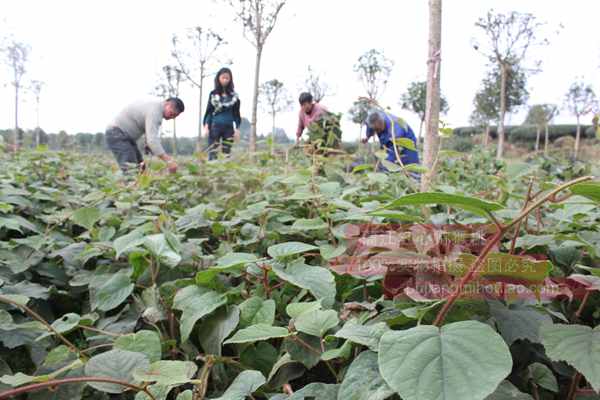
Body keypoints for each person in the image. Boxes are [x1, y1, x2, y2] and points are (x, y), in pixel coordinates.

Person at [105, 97, 184, 174]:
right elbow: (152, 140)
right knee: (131, 171)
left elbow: (147, 129)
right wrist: (169, 161)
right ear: (167, 104)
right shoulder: (156, 111)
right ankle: (128, 185)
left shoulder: (155, 105)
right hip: (117, 134)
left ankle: (136, 185)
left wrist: (147, 143)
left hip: (125, 137)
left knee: (141, 168)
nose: (172, 117)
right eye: (171, 113)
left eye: (174, 116)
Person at [362, 110, 420, 174]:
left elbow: (393, 147)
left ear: (381, 122)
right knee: (384, 160)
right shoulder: (371, 120)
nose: (377, 132)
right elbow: (370, 128)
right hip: (388, 137)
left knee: (408, 161)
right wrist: (367, 137)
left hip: (405, 137)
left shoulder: (395, 126)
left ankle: (414, 178)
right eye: (375, 129)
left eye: (378, 129)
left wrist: (388, 163)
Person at [203, 67, 241, 160]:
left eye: (227, 78)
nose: (225, 80)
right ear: (218, 78)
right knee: (212, 152)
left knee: (226, 153)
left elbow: (236, 114)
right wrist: (206, 126)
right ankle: (212, 172)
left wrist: (237, 128)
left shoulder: (234, 96)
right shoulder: (213, 94)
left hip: (228, 128)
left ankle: (225, 173)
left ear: (230, 79)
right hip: (215, 126)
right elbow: (209, 111)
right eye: (223, 77)